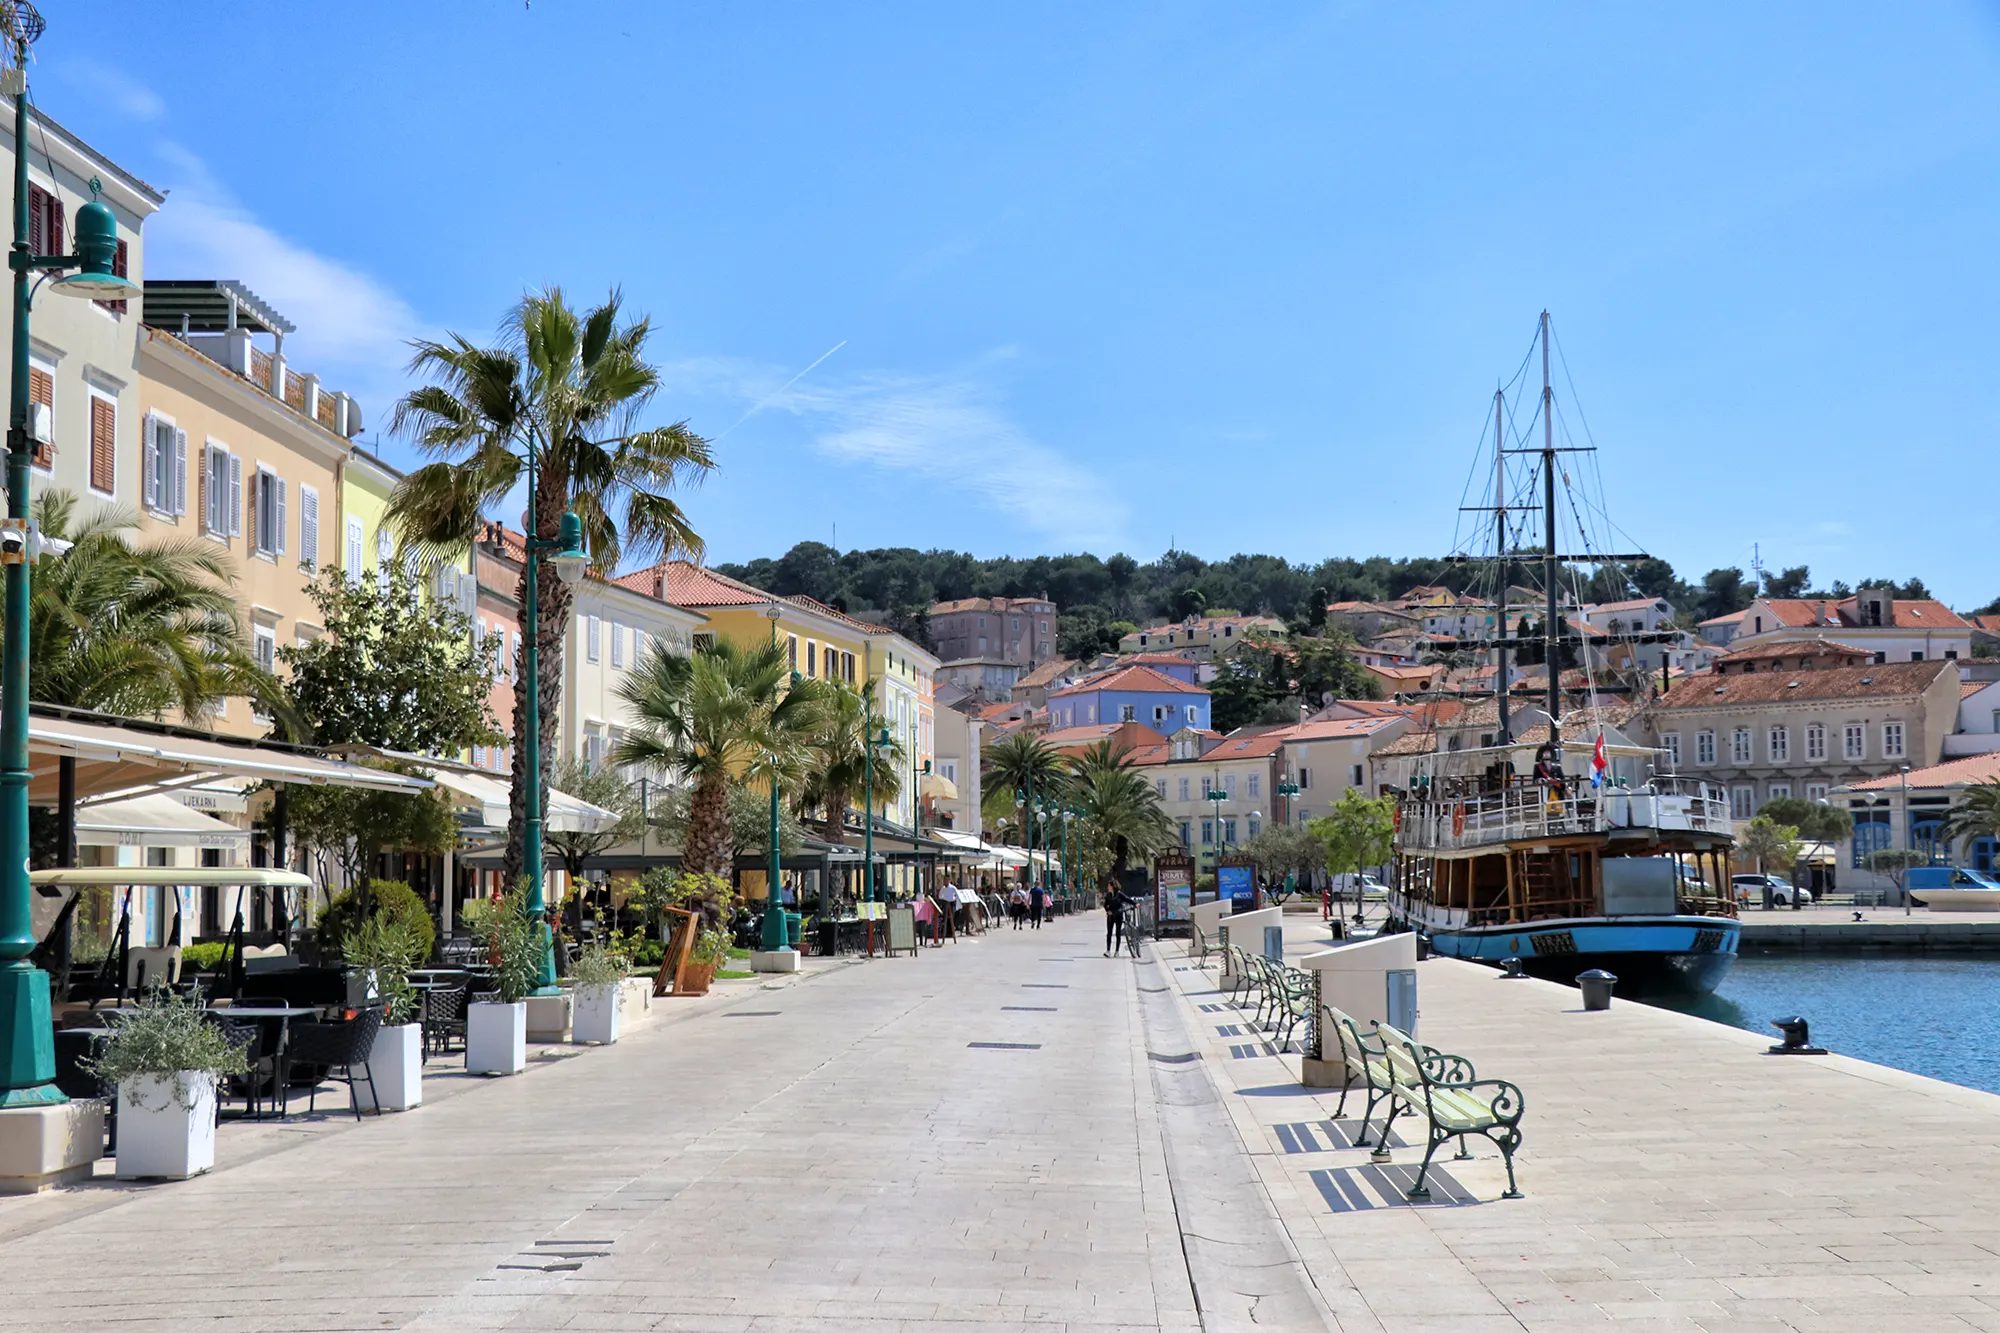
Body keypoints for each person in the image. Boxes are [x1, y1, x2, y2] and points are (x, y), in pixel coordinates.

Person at [1102, 882, 1130, 956]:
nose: (1108, 887)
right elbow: (1105, 905)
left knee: (1118, 933)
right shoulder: (1108, 895)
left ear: (1112, 886)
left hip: (1118, 915)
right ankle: (1108, 950)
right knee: (1109, 933)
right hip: (1111, 916)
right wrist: (1108, 911)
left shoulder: (1119, 894)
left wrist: (1135, 903)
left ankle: (1117, 951)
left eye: (1109, 886)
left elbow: (1127, 899)